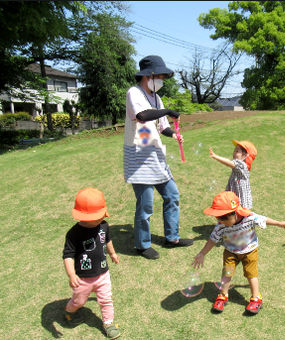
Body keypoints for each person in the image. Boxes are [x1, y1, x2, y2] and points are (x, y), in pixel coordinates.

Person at [124, 55, 193, 260]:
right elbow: (143, 116)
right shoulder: (134, 92)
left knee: (172, 195)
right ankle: (142, 245)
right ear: (149, 75)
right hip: (139, 157)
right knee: (146, 205)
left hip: (156, 155)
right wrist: (168, 110)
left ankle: (172, 238)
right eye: (160, 76)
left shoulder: (156, 97)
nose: (161, 80)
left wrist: (174, 134)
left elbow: (162, 126)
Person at [192, 191, 285, 314]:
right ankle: (223, 295)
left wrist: (279, 223)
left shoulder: (249, 217)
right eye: (218, 218)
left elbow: (264, 219)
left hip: (250, 251)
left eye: (222, 218)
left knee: (251, 274)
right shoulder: (221, 226)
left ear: (234, 213)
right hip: (230, 252)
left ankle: (256, 298)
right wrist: (202, 253)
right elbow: (212, 240)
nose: (220, 221)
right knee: (227, 273)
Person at [63, 188, 120, 339]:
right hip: (83, 278)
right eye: (99, 215)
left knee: (106, 299)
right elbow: (68, 255)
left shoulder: (104, 225)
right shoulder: (74, 233)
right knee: (78, 301)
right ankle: (69, 312)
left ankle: (108, 323)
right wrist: (71, 274)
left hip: (103, 274)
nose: (102, 217)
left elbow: (107, 240)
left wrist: (112, 253)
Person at [209, 140, 257, 209]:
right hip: (234, 200)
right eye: (234, 150)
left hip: (242, 203)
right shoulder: (237, 167)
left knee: (241, 217)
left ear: (245, 155)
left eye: (237, 151)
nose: (234, 153)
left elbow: (230, 163)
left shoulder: (242, 166)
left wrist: (215, 156)